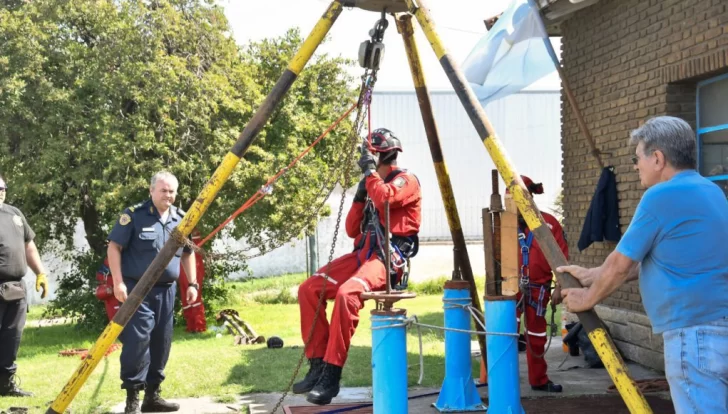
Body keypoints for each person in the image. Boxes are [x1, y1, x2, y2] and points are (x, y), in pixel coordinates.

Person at [558, 116, 728, 414]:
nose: (636, 166)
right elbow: (662, 259)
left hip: (693, 335)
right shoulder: (711, 191)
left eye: (638, 158)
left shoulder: (660, 196)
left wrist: (586, 298)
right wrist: (593, 276)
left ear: (658, 158)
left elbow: (621, 264)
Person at [294, 128, 422, 406]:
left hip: (388, 259)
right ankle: (316, 365)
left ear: (379, 156)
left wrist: (371, 177)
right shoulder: (373, 185)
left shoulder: (406, 180)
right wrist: (359, 196)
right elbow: (353, 230)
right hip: (363, 253)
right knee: (308, 289)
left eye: (368, 157)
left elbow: (387, 199)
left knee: (348, 293)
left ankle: (331, 374)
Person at [107, 171, 198, 414]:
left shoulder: (181, 219)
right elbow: (114, 247)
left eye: (172, 191)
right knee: (138, 342)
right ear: (151, 191)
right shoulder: (134, 216)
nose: (168, 195)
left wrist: (192, 284)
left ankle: (152, 396)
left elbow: (188, 253)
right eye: (163, 190)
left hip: (166, 292)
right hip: (137, 291)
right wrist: (118, 283)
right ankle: (132, 399)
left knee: (162, 341)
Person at [513, 175, 567, 393]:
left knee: (536, 336)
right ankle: (501, 381)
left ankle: (539, 380)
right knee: (504, 334)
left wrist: (561, 287)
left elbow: (561, 259)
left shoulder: (549, 224)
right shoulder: (502, 225)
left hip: (539, 289)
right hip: (510, 290)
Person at [0, 173, 49, 397]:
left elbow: (29, 245)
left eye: (3, 189)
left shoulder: (14, 214)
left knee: (12, 337)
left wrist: (40, 272)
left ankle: (6, 384)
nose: (0, 193)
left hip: (16, 288)